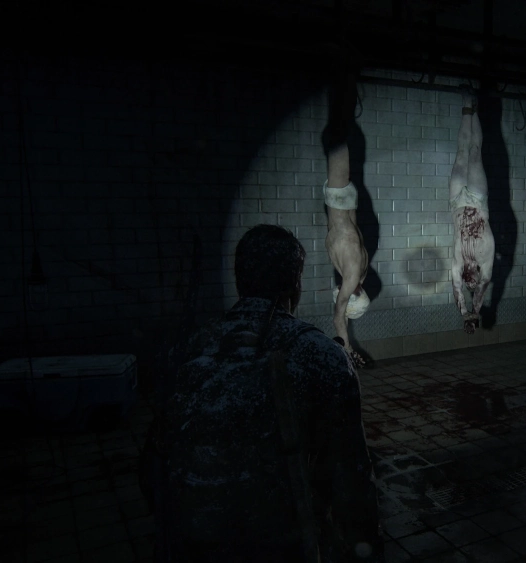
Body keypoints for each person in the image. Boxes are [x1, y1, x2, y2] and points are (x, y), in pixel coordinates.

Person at [154, 224, 383, 562]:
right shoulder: (319, 354)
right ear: (295, 284)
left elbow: (155, 462)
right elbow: (351, 478)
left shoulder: (189, 348)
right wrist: (366, 548)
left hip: (190, 539)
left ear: (240, 281)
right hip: (279, 544)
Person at [323, 49, 369, 365]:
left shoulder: (359, 271)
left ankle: (345, 75)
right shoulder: (351, 275)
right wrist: (348, 350)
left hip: (346, 202)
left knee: (340, 130)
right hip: (339, 201)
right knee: (337, 131)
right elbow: (338, 317)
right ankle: (343, 70)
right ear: (352, 296)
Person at [449, 85, 495, 334]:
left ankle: (467, 106)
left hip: (457, 201)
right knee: (475, 153)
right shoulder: (486, 260)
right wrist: (475, 310)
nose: (470, 281)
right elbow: (484, 285)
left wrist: (464, 312)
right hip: (477, 201)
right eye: (472, 282)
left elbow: (456, 287)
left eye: (468, 282)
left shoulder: (458, 261)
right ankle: (474, 108)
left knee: (461, 154)